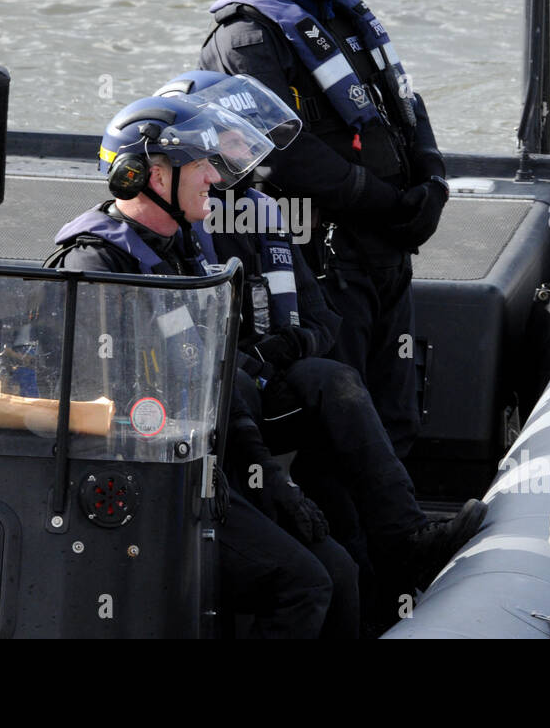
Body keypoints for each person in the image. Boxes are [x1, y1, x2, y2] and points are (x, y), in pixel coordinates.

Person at [158, 71, 487, 612]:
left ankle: (405, 541)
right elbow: (175, 342)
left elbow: (322, 318)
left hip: (275, 386)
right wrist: (252, 361)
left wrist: (287, 348)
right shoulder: (175, 229)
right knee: (313, 390)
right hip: (214, 405)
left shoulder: (262, 214)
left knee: (335, 385)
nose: (249, 150)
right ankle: (363, 538)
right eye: (234, 138)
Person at [48, 93, 360, 638]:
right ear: (145, 176)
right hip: (144, 484)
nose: (214, 179)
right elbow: (107, 408)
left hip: (206, 464)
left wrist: (271, 482)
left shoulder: (187, 250)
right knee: (304, 584)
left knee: (340, 570)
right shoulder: (95, 265)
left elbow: (215, 380)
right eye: (199, 165)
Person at [199, 0, 448, 459]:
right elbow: (281, 151)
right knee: (345, 421)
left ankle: (400, 542)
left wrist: (432, 179)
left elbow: (403, 102)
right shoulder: (246, 36)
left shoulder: (344, 18)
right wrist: (381, 200)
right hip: (326, 259)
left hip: (383, 250)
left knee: (396, 410)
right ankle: (350, 548)